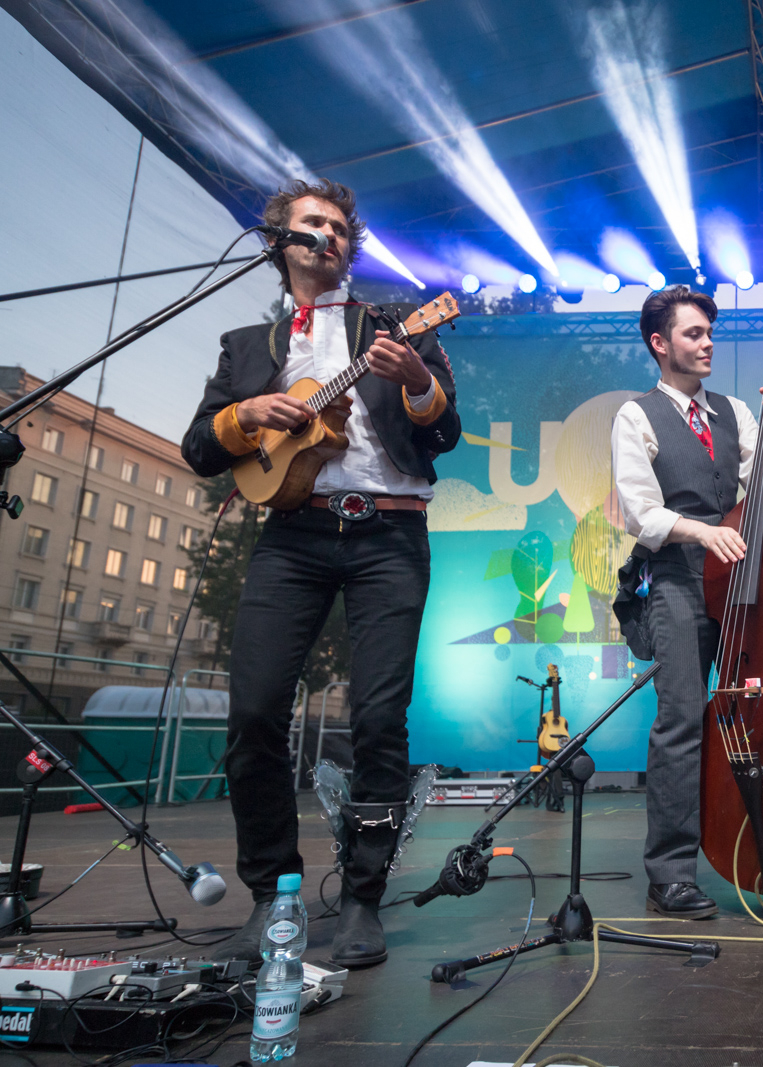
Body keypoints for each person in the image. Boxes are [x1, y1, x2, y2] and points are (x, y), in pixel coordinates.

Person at [182, 178, 459, 968]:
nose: (328, 236)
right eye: (312, 225)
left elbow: (448, 428)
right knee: (256, 711)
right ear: (279, 240)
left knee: (378, 718)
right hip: (291, 533)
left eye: (339, 227)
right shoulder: (249, 348)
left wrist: (414, 377)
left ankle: (362, 901)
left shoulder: (392, 322)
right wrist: (247, 417)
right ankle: (273, 898)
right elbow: (200, 450)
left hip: (389, 534)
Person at [610, 285, 763, 918]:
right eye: (693, 334)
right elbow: (641, 513)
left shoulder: (738, 412)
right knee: (683, 722)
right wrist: (705, 530)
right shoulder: (636, 415)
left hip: (743, 585)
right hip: (678, 582)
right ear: (660, 344)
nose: (707, 342)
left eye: (710, 332)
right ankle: (670, 874)